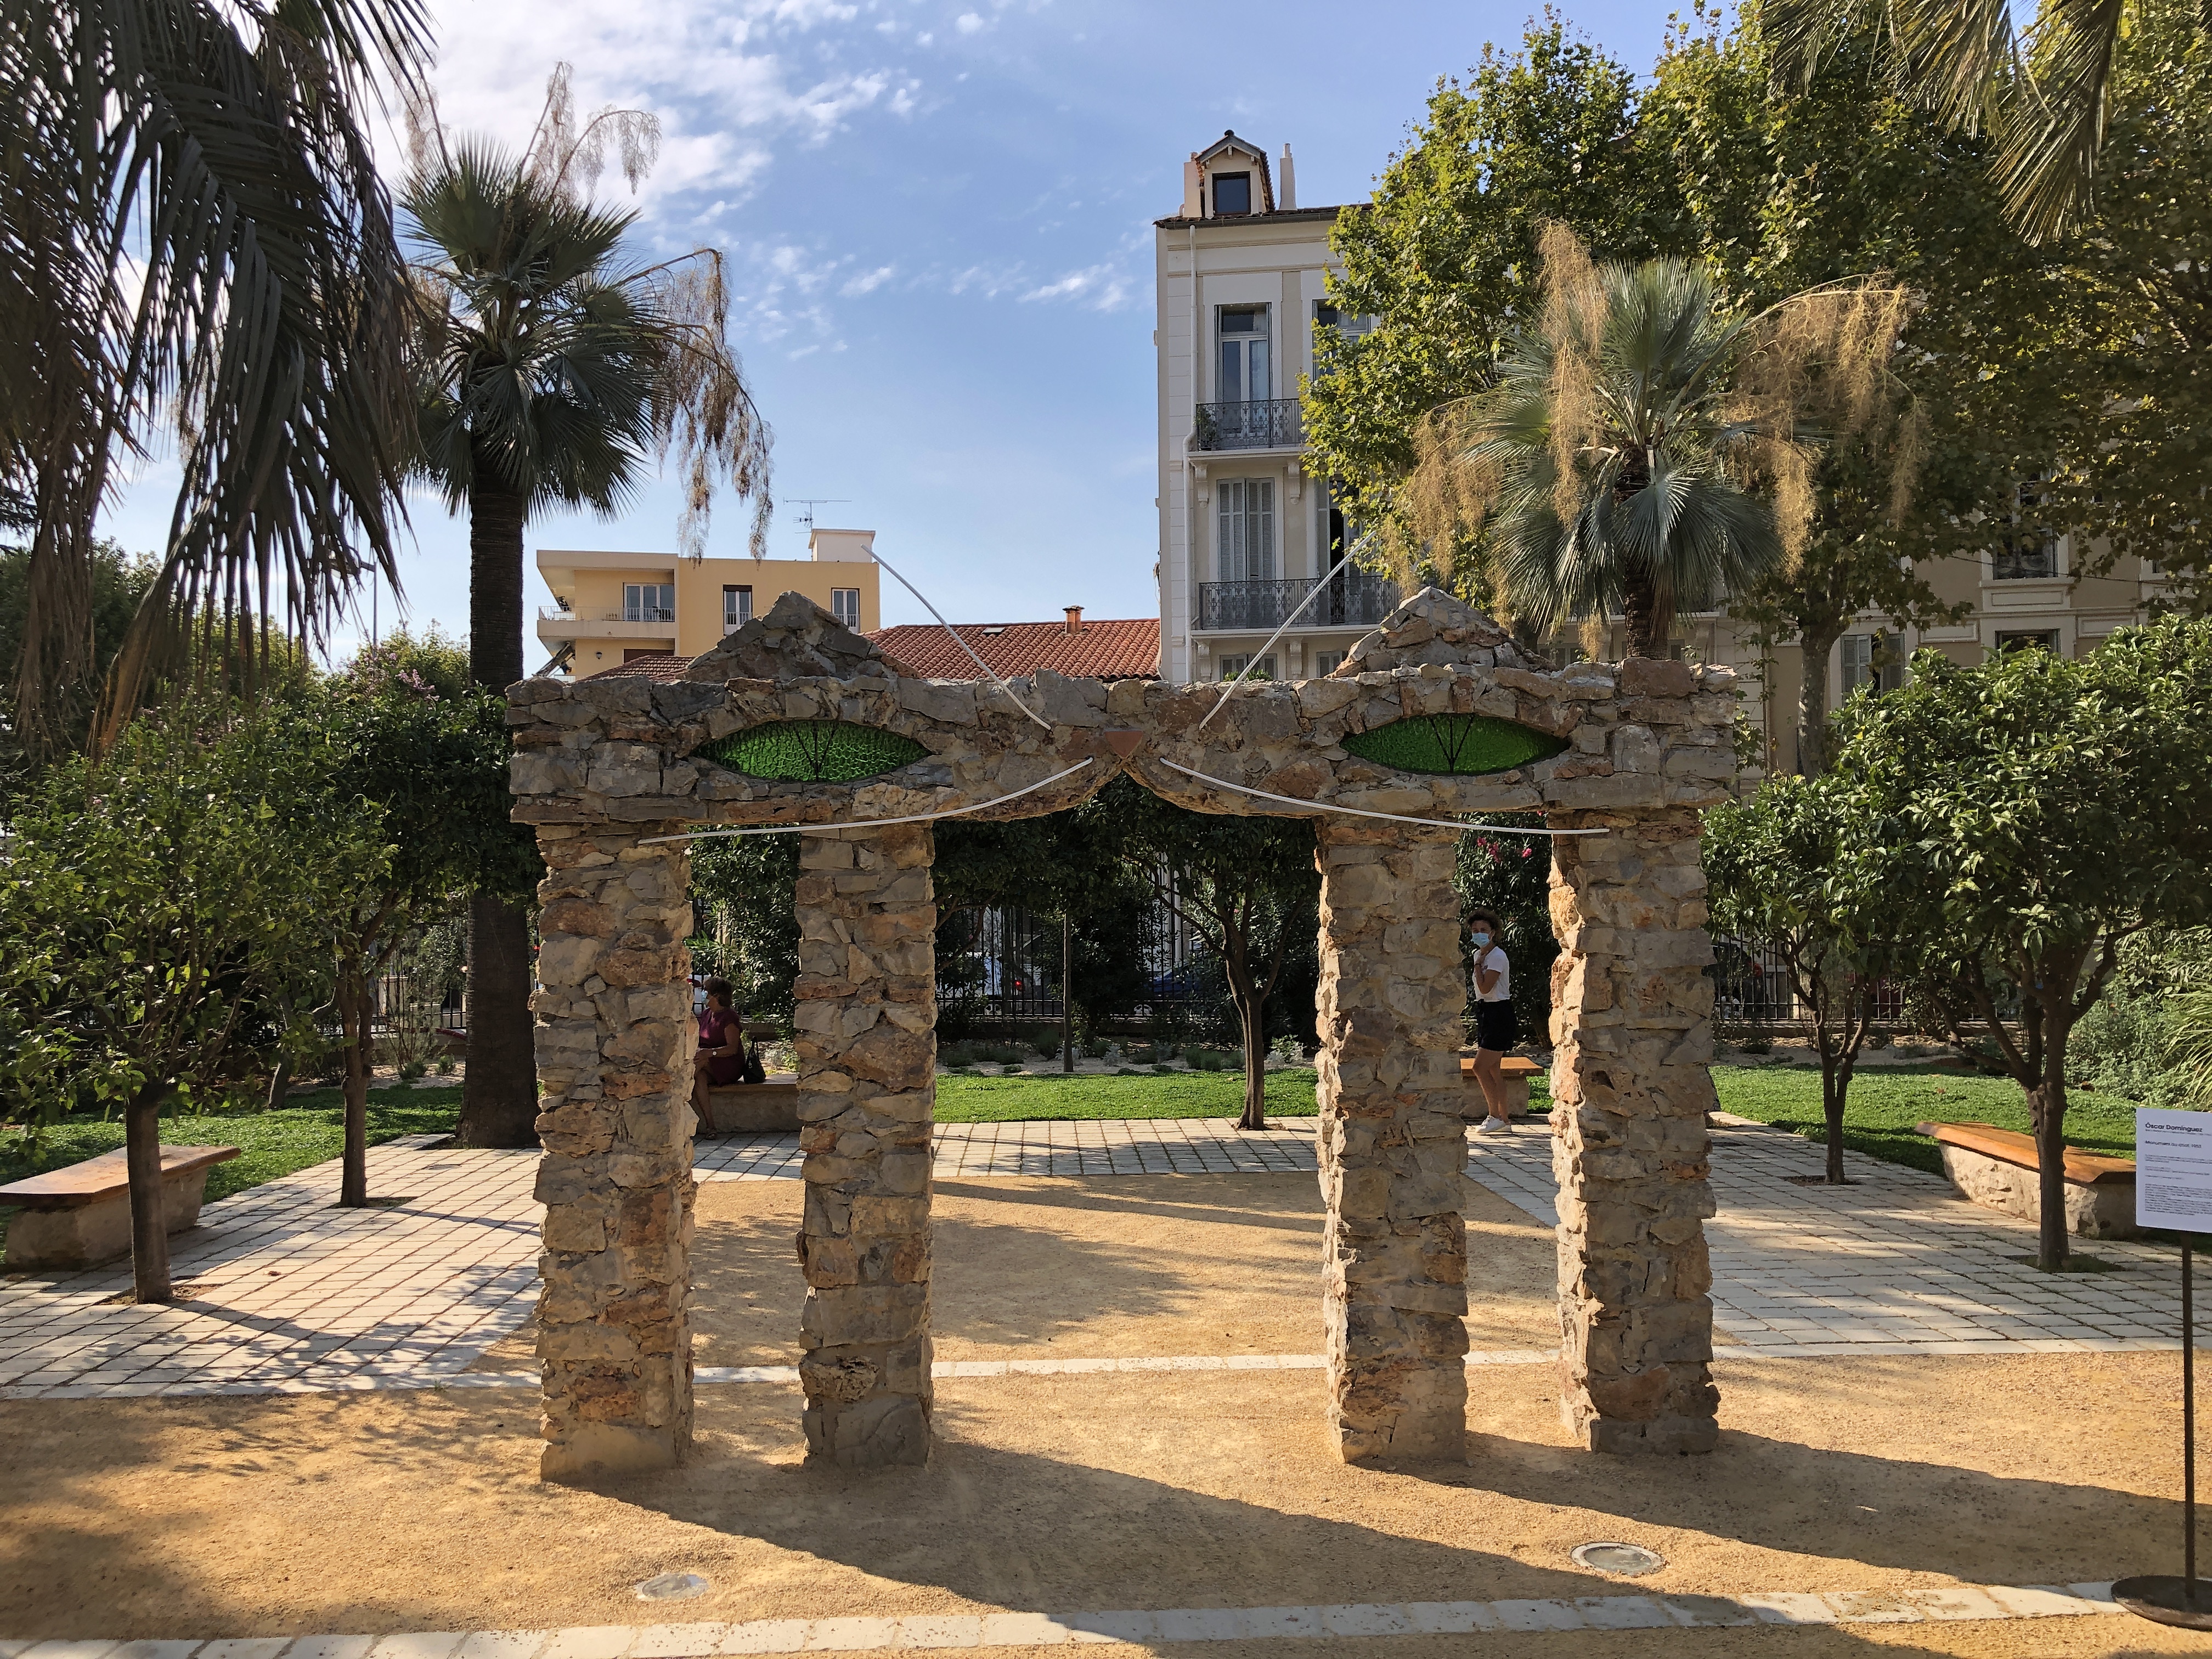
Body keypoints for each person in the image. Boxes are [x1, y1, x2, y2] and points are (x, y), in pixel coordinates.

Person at [1466, 909, 1519, 1135]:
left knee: (1479, 1067)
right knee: (1494, 1070)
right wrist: (1478, 962)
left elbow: (1486, 987)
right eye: (1475, 930)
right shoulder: (1477, 955)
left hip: (1499, 1013)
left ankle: (1494, 1116)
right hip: (1485, 1012)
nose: (1479, 934)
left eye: (1483, 930)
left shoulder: (1497, 956)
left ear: (1493, 932)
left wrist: (1478, 966)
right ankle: (1504, 1120)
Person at [692, 977, 750, 1120]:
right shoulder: (706, 1014)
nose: (703, 994)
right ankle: (710, 1125)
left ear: (716, 995)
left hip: (728, 1063)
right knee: (700, 1077)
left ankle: (675, 1091)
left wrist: (709, 1053)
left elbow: (732, 1049)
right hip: (708, 1062)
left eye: (706, 991)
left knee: (699, 1064)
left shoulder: (729, 1017)